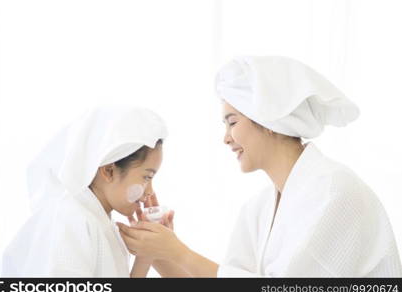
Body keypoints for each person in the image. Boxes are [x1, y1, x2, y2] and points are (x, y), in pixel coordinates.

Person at [118, 56, 402, 277]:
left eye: (232, 122)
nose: (226, 138)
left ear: (268, 120)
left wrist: (178, 252)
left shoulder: (334, 191)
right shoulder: (260, 207)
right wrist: (159, 250)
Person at [2, 105, 173, 277]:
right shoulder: (70, 218)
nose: (150, 192)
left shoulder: (100, 222)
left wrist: (145, 257)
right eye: (147, 177)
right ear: (109, 171)